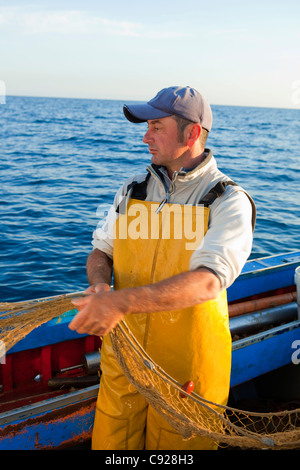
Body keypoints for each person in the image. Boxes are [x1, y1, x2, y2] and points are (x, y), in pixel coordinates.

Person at [69, 86, 256, 450]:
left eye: (156, 127)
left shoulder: (229, 201)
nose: (145, 137)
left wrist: (121, 304)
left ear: (193, 133)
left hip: (188, 375)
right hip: (123, 361)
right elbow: (100, 252)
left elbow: (208, 283)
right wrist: (99, 286)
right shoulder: (133, 189)